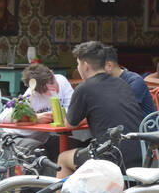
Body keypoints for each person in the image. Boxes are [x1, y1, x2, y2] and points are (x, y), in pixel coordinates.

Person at [59, 41, 144, 174]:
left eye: (77, 64)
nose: (77, 68)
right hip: (140, 156)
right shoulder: (122, 83)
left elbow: (69, 124)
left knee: (63, 159)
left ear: (85, 66)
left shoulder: (84, 88)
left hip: (110, 158)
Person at [0, 62, 74, 157]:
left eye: (52, 83)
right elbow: (2, 117)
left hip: (42, 139)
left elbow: (72, 108)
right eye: (45, 91)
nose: (51, 91)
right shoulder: (31, 95)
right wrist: (34, 117)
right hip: (15, 138)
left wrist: (58, 115)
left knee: (76, 148)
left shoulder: (61, 81)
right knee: (38, 152)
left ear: (52, 73)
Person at [100, 44, 156, 116]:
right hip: (123, 123)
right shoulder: (106, 81)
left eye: (96, 67)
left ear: (109, 66)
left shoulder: (135, 81)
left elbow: (120, 110)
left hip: (145, 125)